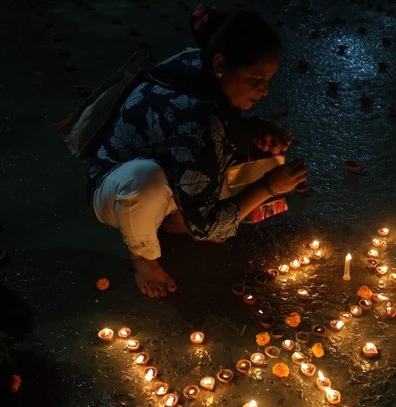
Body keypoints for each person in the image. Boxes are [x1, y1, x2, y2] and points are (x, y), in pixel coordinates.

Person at [86, 6, 307, 297]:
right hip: (117, 189)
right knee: (146, 183)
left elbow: (221, 126)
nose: (265, 91)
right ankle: (142, 258)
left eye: (268, 79)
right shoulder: (196, 122)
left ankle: (176, 220)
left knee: (243, 152)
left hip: (175, 165)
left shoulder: (198, 61)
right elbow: (208, 227)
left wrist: (255, 130)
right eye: (256, 80)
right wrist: (268, 187)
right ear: (221, 65)